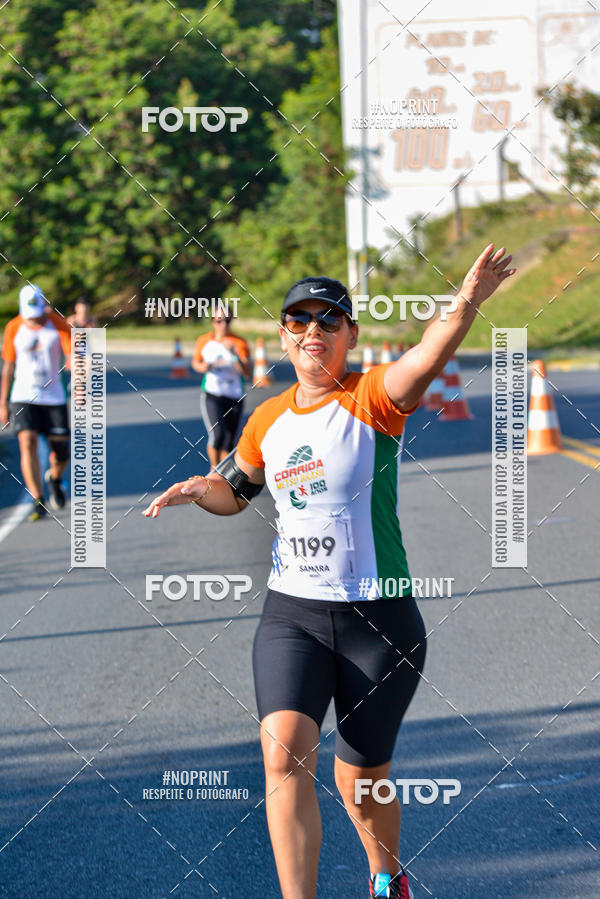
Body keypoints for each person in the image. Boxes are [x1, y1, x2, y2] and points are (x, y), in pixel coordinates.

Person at [143, 244, 515, 899]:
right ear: (284, 334)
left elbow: (430, 350)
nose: (312, 330)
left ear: (350, 334)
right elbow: (237, 489)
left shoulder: (374, 397)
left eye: (327, 319)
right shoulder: (266, 419)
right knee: (282, 754)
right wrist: (204, 490)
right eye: (298, 319)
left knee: (360, 780)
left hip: (381, 621)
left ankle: (385, 874)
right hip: (294, 615)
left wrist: (469, 299)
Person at [1, 284, 72, 520]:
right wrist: (3, 403)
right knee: (27, 442)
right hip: (22, 395)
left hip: (54, 397)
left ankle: (54, 477)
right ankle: (38, 498)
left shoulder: (57, 323)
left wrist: (80, 376)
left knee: (62, 452)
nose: (36, 319)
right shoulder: (14, 327)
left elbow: (73, 354)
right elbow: (8, 366)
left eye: (39, 313)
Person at [191, 309, 253, 469]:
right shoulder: (204, 341)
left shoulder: (239, 342)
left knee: (229, 439)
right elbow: (196, 363)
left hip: (234, 395)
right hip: (212, 394)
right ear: (213, 322)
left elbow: (246, 372)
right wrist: (204, 366)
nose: (223, 325)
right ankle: (213, 468)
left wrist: (234, 354)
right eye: (219, 321)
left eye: (227, 320)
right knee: (217, 434)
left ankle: (223, 472)